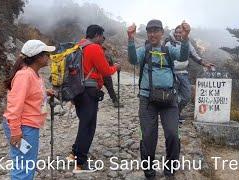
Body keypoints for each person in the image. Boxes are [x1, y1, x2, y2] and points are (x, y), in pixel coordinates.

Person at [127, 19, 190, 179]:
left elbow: (183, 57)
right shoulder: (144, 51)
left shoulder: (169, 50)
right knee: (148, 137)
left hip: (169, 100)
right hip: (147, 100)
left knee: (173, 135)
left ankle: (169, 171)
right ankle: (149, 173)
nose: (152, 34)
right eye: (150, 31)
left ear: (162, 33)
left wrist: (185, 37)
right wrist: (130, 39)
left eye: (156, 31)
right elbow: (133, 60)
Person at [67, 25, 120, 173]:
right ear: (97, 35)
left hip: (77, 90)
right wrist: (115, 67)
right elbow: (105, 71)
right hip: (89, 91)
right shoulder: (94, 48)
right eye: (102, 37)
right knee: (89, 126)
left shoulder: (79, 46)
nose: (102, 40)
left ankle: (74, 153)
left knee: (83, 123)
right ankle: (81, 163)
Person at [2, 40, 55, 180]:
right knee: (23, 167)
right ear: (38, 57)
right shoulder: (24, 75)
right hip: (23, 127)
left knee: (27, 164)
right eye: (46, 54)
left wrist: (45, 93)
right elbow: (14, 106)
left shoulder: (33, 73)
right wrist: (15, 132)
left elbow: (30, 95)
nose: (49, 56)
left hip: (28, 125)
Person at [164, 25, 215, 124]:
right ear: (174, 33)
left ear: (184, 33)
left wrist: (205, 63)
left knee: (186, 96)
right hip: (171, 73)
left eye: (180, 32)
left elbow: (194, 55)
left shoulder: (187, 44)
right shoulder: (168, 44)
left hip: (183, 73)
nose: (178, 34)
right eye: (177, 32)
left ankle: (176, 112)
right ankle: (173, 116)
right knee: (173, 96)